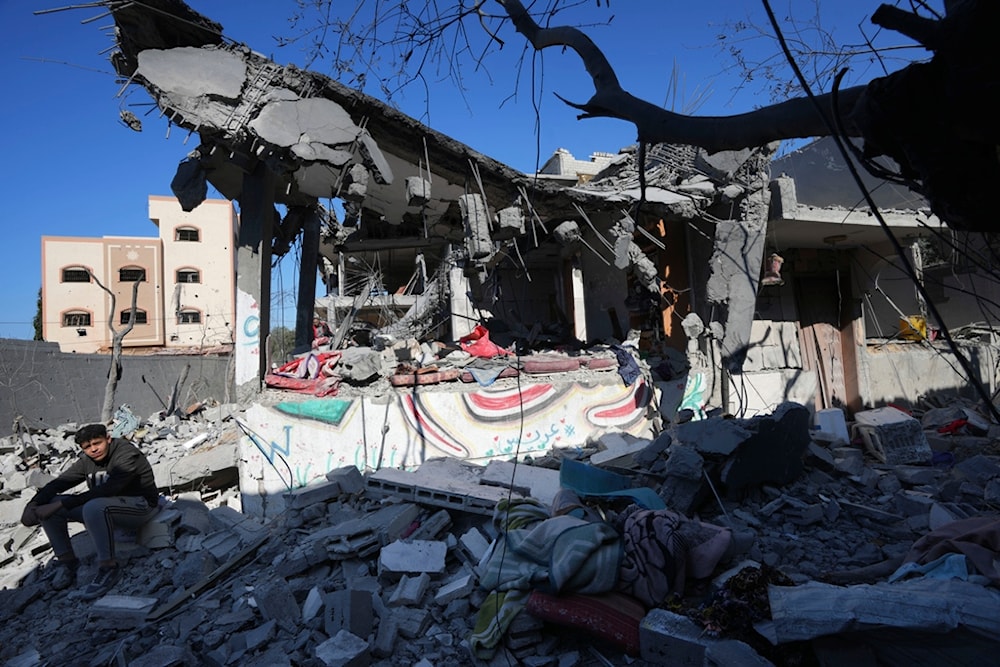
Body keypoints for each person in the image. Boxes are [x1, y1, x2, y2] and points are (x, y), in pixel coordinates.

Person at [21, 423, 159, 598]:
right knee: (51, 503)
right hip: (109, 507)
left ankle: (108, 567)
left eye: (97, 443)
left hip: (141, 506)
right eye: (87, 447)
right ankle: (67, 563)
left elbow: (109, 489)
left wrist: (63, 504)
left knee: (93, 506)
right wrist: (34, 504)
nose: (94, 449)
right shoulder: (88, 461)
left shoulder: (125, 453)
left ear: (108, 439)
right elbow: (61, 482)